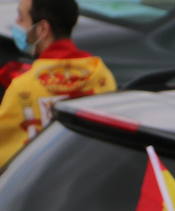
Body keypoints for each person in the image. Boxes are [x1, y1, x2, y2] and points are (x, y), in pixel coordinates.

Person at [0, 0, 115, 168]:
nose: (16, 24)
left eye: (21, 17)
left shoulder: (24, 86)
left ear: (42, 29)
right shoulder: (100, 74)